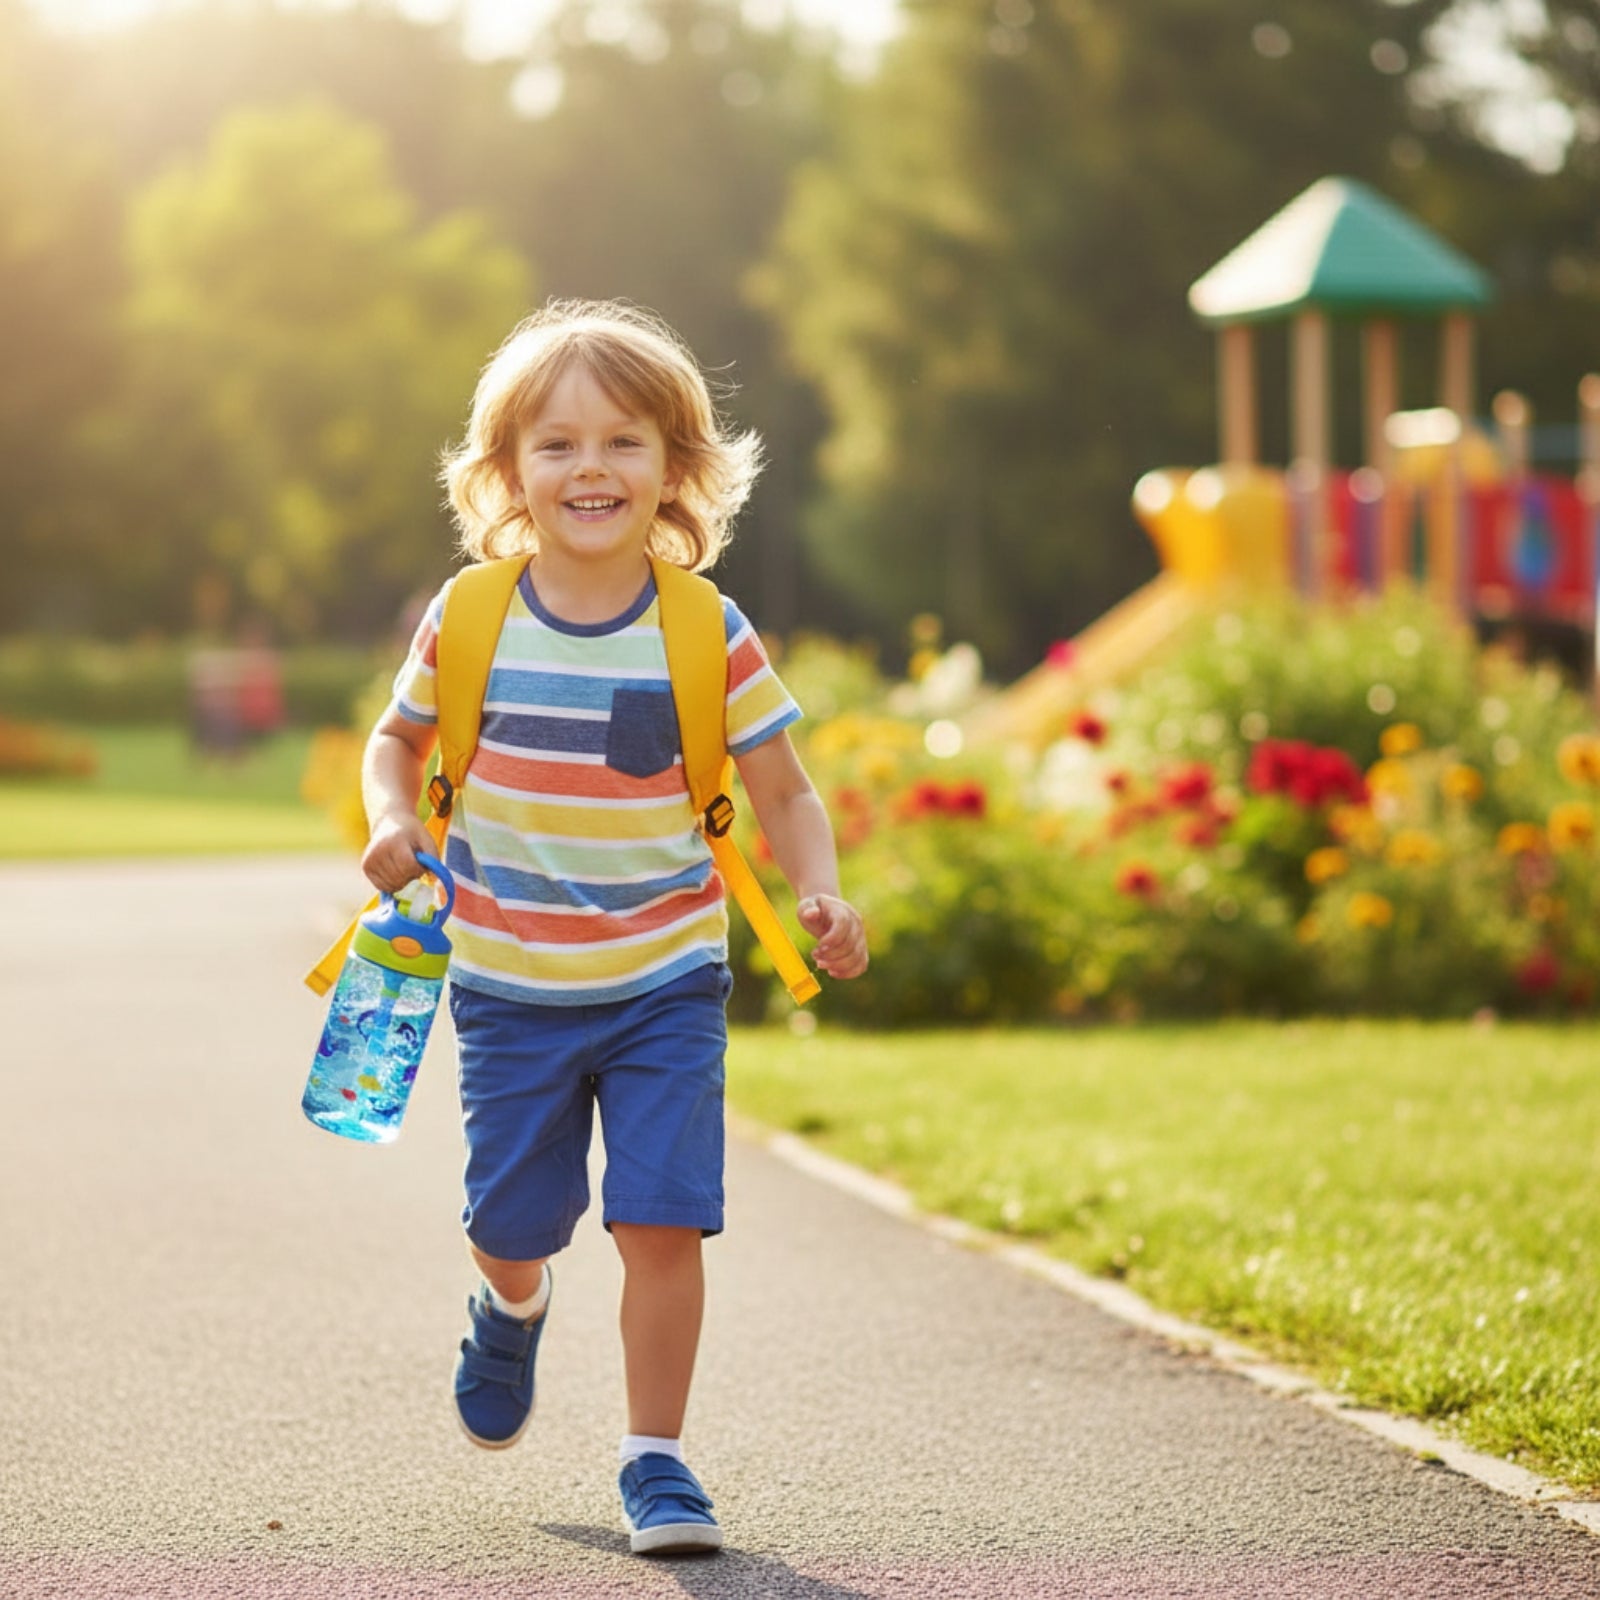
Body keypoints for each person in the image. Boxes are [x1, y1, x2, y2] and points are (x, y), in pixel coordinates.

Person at [358, 300, 868, 1556]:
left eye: (625, 442)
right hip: (509, 981)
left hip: (666, 981)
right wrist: (387, 821)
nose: (591, 468)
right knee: (509, 1218)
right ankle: (509, 1301)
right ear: (507, 472)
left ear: (678, 470)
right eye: (558, 444)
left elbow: (787, 791)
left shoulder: (707, 628)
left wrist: (824, 890)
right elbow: (398, 741)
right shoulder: (471, 617)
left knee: (662, 1217)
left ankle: (657, 1462)